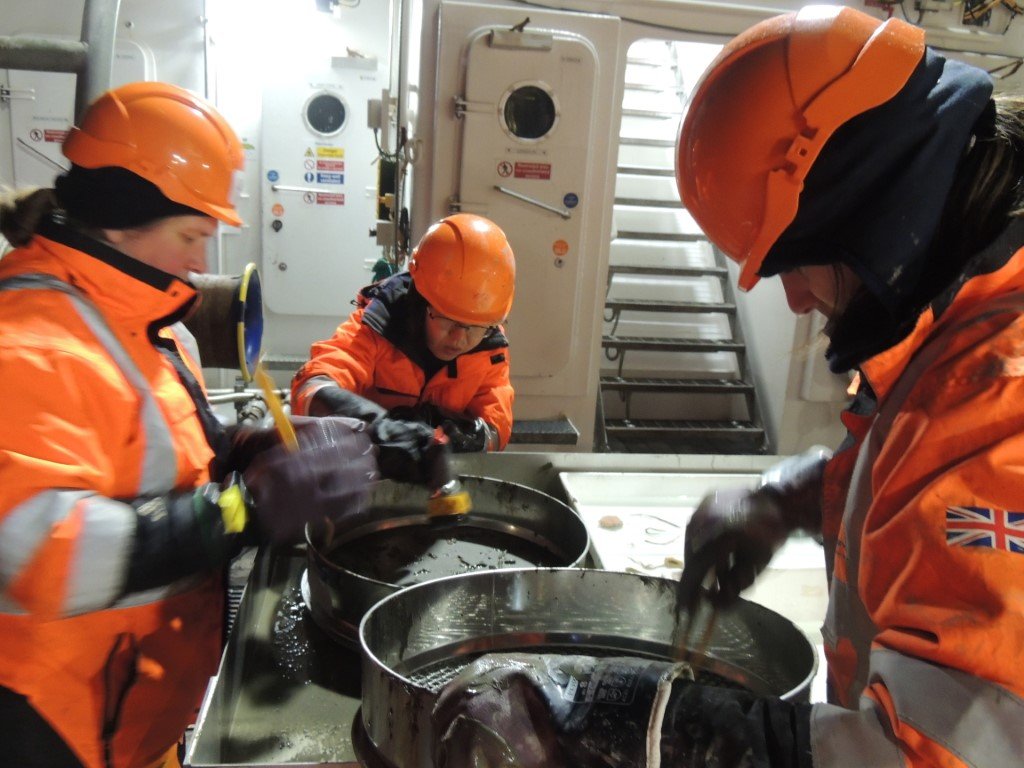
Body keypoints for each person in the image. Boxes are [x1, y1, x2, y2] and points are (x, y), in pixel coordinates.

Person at [429, 5, 1024, 767]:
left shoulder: (999, 393)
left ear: (865, 215)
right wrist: (796, 498)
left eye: (795, 264)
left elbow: (931, 755)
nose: (798, 302)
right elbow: (924, 473)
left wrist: (627, 721)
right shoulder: (960, 321)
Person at [0, 82, 378, 768]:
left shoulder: (148, 326)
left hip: (138, 704)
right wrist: (241, 510)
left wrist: (246, 448)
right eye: (191, 235)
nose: (203, 263)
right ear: (123, 217)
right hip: (61, 726)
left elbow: (159, 452)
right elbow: (33, 548)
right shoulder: (28, 342)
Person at [291, 212, 516, 454]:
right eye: (447, 320)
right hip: (369, 464)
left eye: (474, 326)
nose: (460, 338)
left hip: (438, 477)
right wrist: (377, 424)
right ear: (420, 300)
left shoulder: (490, 349)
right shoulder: (377, 328)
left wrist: (477, 437)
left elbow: (497, 423)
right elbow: (313, 386)